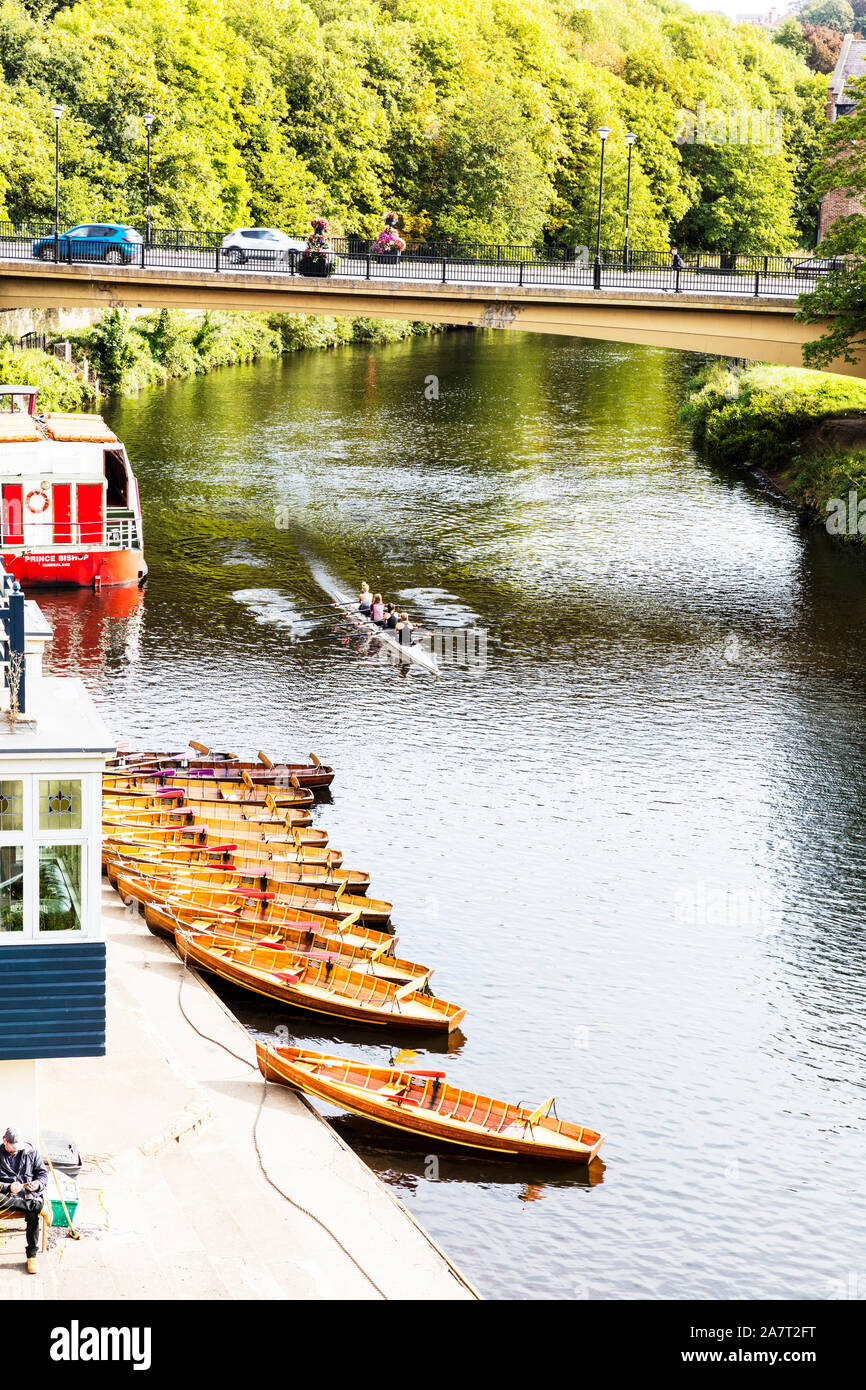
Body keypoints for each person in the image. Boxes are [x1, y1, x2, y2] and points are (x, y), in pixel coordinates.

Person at [0, 1126, 51, 1273]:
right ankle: (36, 1206)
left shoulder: (31, 1152)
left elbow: (42, 1174)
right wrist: (7, 1187)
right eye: (13, 1147)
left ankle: (32, 1256)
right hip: (7, 1196)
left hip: (27, 1194)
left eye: (18, 1147)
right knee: (33, 1207)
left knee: (32, 1216)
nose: (16, 1150)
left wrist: (38, 1184)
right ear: (5, 1141)